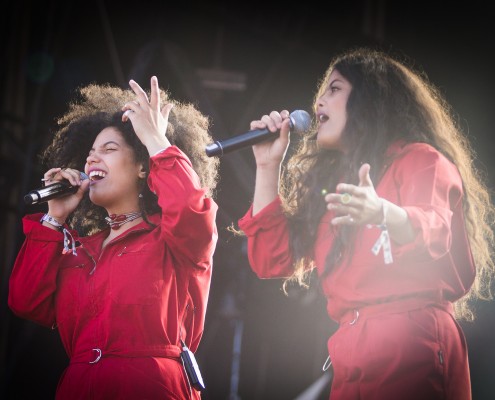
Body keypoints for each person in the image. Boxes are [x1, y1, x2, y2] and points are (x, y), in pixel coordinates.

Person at [237, 47, 495, 400]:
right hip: (351, 354)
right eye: (322, 91)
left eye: (335, 89)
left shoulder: (420, 160)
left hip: (412, 344)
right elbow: (272, 259)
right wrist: (268, 166)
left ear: (371, 100)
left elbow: (434, 228)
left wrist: (383, 213)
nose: (319, 102)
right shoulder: (334, 186)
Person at [8, 76, 219, 399]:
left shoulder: (172, 239)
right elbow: (25, 300)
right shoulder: (79, 251)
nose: (92, 159)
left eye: (108, 149)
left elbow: (191, 208)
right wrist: (55, 217)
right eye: (90, 153)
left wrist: (157, 141)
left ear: (143, 168)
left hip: (152, 387)